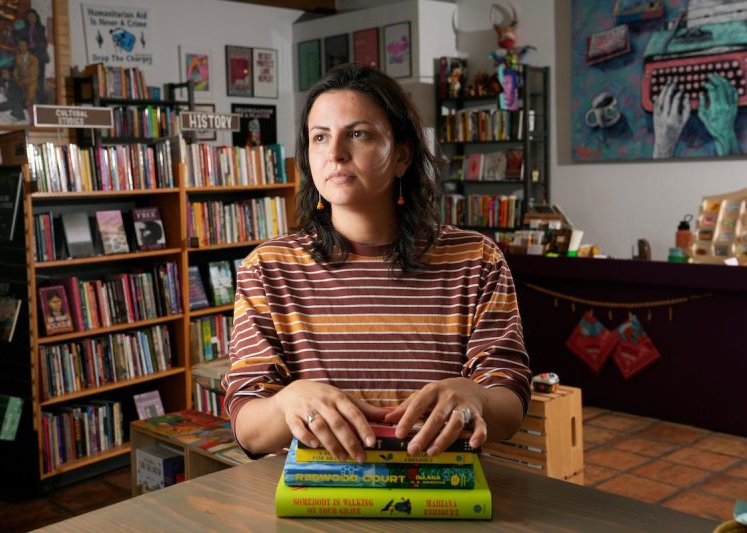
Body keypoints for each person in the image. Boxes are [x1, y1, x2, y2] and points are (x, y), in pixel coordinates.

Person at [222, 63, 531, 463]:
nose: (335, 153)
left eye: (358, 134)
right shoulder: (268, 268)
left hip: (439, 492)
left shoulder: (476, 259)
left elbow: (510, 402)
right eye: (319, 137)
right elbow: (247, 425)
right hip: (315, 498)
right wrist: (287, 402)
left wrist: (478, 399)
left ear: (402, 154)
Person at [13, 38, 39, 108]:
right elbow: (15, 72)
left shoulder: (33, 59)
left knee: (31, 95)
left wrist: (27, 81)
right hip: (20, 82)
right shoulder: (17, 58)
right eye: (20, 46)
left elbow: (34, 74)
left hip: (31, 82)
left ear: (26, 47)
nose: (22, 47)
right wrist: (18, 80)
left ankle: (30, 106)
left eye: (23, 45)